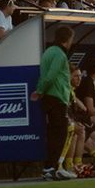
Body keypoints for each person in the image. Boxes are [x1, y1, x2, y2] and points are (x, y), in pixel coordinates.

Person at [32, 26, 77, 180]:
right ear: (68, 39)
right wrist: (40, 90)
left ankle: (52, 167)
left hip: (51, 98)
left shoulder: (48, 52)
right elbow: (51, 76)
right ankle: (52, 167)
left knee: (54, 134)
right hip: (57, 97)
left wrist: (41, 90)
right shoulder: (59, 55)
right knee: (60, 134)